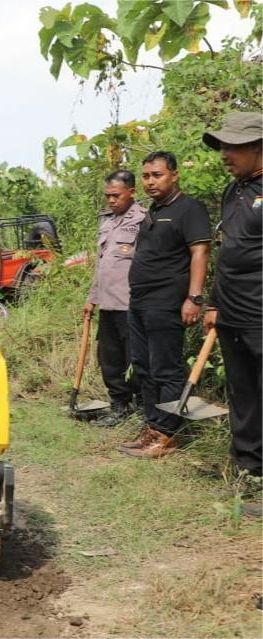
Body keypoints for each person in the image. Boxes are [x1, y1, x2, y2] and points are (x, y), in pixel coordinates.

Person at [118, 151, 211, 459]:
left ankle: (167, 435)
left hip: (167, 302)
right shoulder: (151, 212)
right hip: (140, 302)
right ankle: (151, 427)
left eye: (157, 175)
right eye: (145, 176)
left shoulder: (189, 209)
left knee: (166, 369)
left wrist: (194, 298)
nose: (150, 181)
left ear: (174, 175)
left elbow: (200, 253)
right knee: (143, 368)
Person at [202, 112, 262, 488]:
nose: (225, 154)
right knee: (242, 391)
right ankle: (248, 468)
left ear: (258, 146)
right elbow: (229, 251)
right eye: (222, 145)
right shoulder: (233, 191)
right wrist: (213, 303)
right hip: (232, 310)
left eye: (233, 146)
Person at [82, 170, 146, 427]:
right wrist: (92, 298)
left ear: (131, 192)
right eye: (107, 195)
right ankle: (119, 406)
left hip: (130, 304)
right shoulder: (107, 223)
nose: (111, 200)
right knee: (109, 358)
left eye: (116, 195)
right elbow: (101, 266)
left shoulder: (143, 221)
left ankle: (143, 408)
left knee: (136, 359)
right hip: (107, 304)